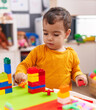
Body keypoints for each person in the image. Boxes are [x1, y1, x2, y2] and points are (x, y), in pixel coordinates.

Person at [15, 7, 87, 89]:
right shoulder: (38, 51)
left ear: (66, 34)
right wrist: (20, 73)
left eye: (55, 34)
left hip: (62, 95)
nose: (49, 38)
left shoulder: (71, 54)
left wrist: (79, 76)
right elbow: (24, 65)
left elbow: (75, 70)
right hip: (41, 93)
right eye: (45, 33)